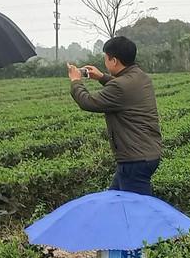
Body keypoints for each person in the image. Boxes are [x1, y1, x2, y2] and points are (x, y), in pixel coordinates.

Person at [68, 36, 163, 195]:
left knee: (136, 209)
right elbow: (123, 89)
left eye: (106, 58)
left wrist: (76, 81)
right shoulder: (141, 77)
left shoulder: (120, 86)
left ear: (114, 61)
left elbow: (88, 102)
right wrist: (102, 77)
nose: (105, 62)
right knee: (115, 198)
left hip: (135, 159)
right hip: (146, 154)